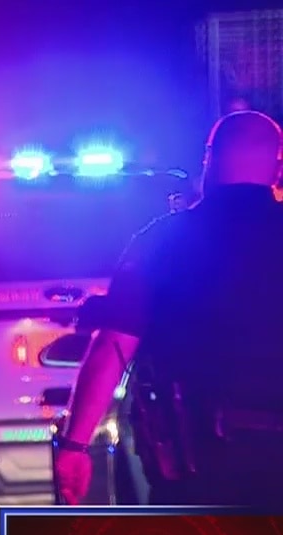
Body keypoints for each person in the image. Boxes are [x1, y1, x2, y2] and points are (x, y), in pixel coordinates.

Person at [55, 111, 283, 511]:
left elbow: (113, 347)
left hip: (199, 466)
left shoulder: (163, 241)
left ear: (209, 160)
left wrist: (75, 446)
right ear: (278, 168)